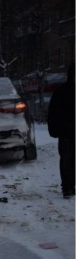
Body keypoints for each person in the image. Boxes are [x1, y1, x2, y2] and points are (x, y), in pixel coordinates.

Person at [47, 62, 75, 199]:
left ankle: (71, 185)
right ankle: (67, 187)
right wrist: (54, 129)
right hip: (66, 133)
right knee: (67, 160)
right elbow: (53, 113)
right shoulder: (61, 92)